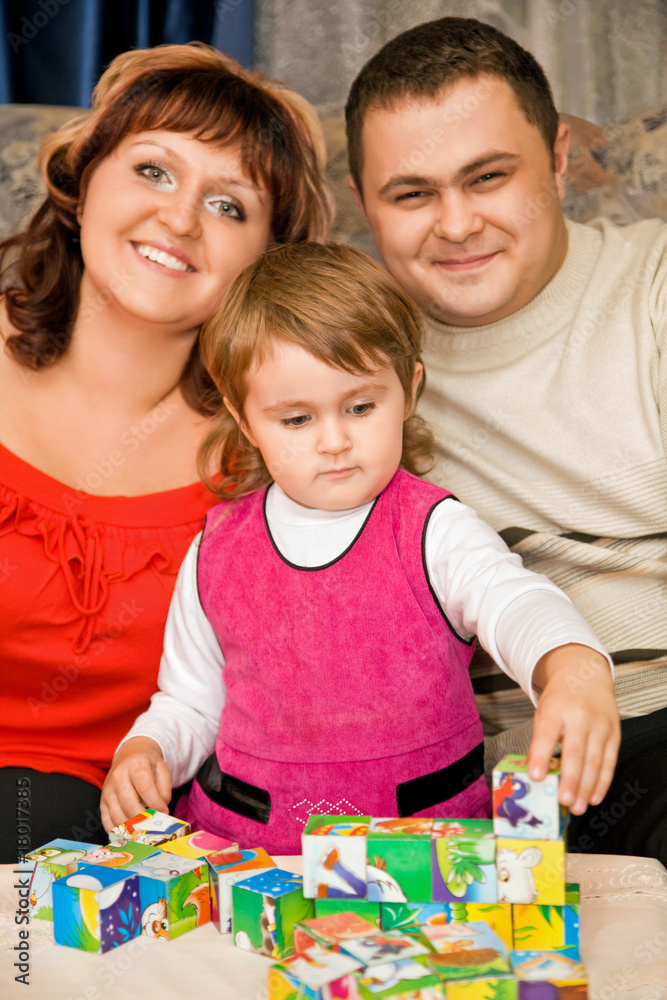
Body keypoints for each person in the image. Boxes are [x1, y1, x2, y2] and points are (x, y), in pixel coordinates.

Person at [100, 242, 618, 855]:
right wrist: (147, 747)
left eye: (361, 406)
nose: (335, 441)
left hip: (424, 855)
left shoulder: (434, 529)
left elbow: (515, 601)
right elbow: (190, 700)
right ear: (245, 419)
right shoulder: (215, 549)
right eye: (296, 419)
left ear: (408, 389)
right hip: (248, 855)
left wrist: (570, 665)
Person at [0, 42, 333, 862]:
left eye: (230, 206)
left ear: (265, 262)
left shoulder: (274, 453)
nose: (180, 219)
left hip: (88, 823)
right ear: (83, 184)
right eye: (154, 171)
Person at [344, 17, 667, 860]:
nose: (454, 225)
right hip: (449, 764)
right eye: (411, 195)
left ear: (558, 159)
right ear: (361, 199)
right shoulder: (342, 354)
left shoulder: (652, 287)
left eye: (486, 178)